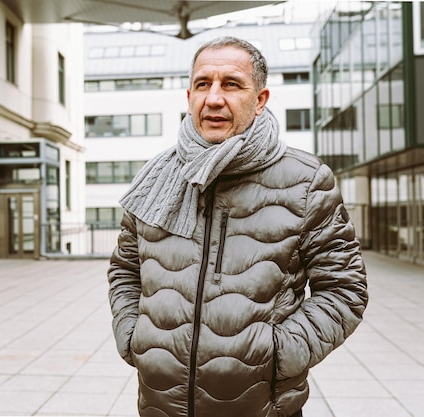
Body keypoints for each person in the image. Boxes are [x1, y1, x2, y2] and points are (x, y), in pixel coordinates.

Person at [107, 36, 368, 417]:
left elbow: (344, 289)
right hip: (160, 405)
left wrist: (276, 353)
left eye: (231, 84)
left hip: (262, 408)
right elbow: (125, 269)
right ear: (189, 96)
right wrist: (134, 338)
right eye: (202, 84)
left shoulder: (306, 181)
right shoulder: (156, 179)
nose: (213, 98)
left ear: (260, 100)